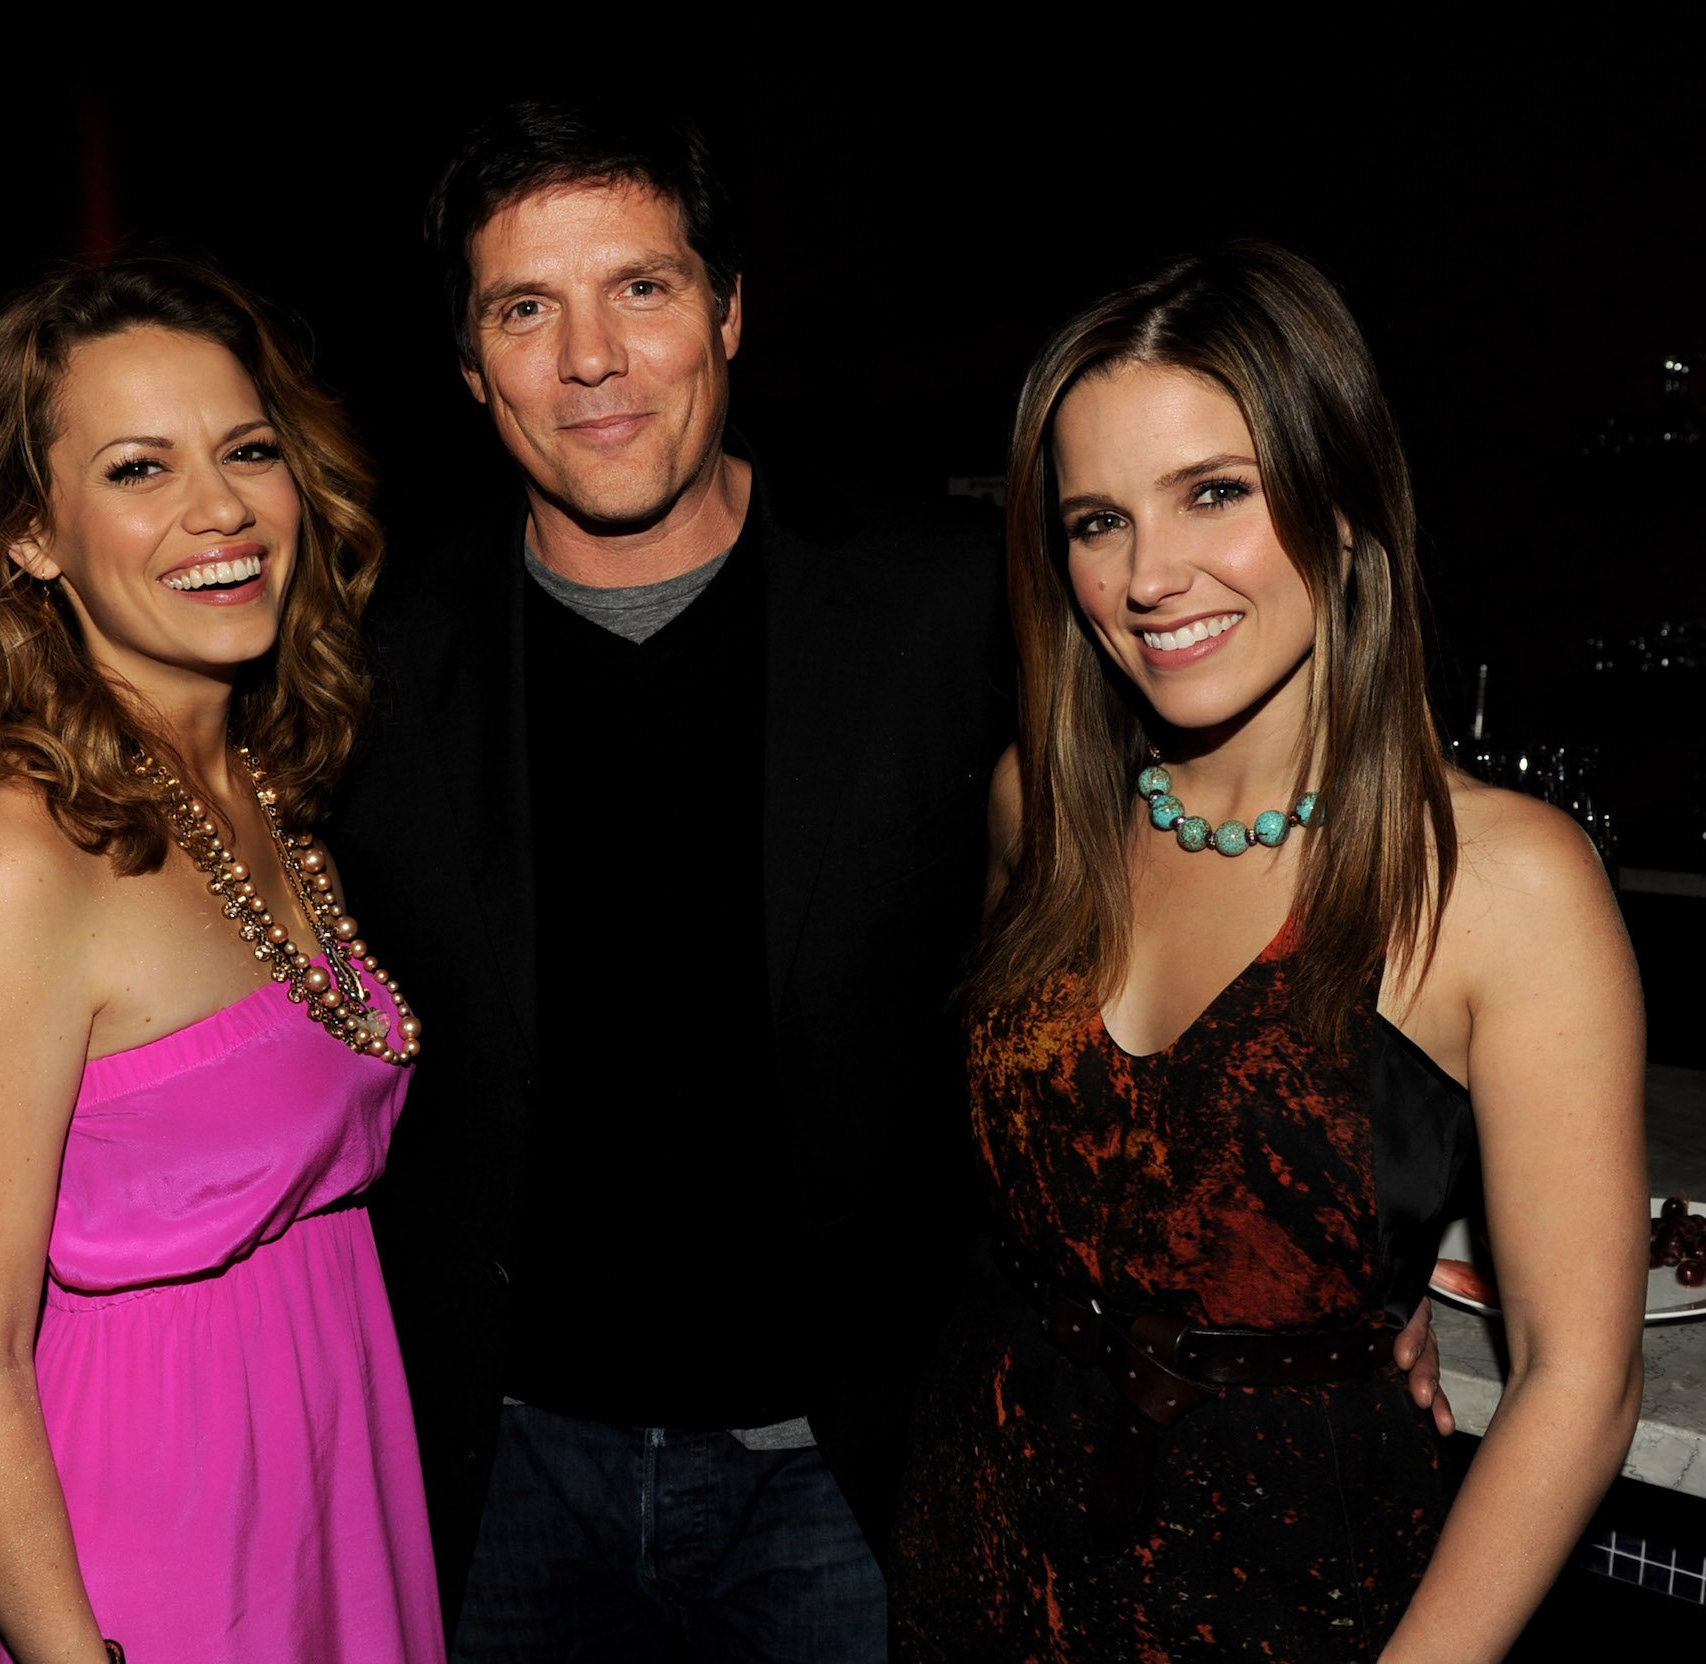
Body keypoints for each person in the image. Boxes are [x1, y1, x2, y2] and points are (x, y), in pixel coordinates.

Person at [888, 243, 1646, 1660]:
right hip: (977, 1544)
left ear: (1345, 499)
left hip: (1293, 1594)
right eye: (1096, 520)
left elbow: (1576, 1379)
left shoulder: (1498, 880)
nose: (1149, 576)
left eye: (1215, 494)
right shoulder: (1037, 806)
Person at [322, 101, 1012, 1659]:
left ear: (729, 309)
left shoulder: (947, 609)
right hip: (502, 1473)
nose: (589, 359)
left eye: (638, 287)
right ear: (468, 363)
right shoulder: (366, 663)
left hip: (846, 1471)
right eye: (524, 308)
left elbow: (1168, 902)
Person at [0, 256, 442, 1663]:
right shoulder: (13, 860)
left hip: (338, 1469)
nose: (220, 509)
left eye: (247, 449)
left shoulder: (267, 770)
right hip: (157, 1528)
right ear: (31, 535)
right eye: (139, 469)